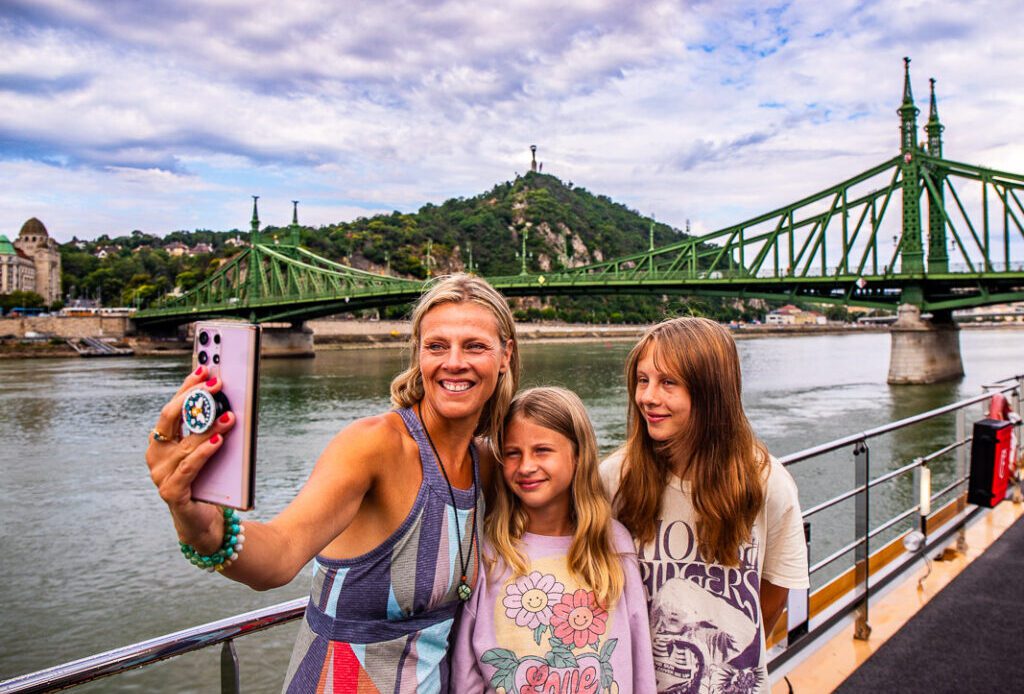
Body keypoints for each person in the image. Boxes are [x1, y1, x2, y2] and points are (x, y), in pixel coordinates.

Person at [145, 274, 520, 693]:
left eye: (475, 345)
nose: (454, 362)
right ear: (418, 353)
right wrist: (205, 528)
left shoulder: (487, 463)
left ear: (505, 355)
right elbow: (281, 553)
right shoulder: (374, 446)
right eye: (436, 345)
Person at [601, 317, 809, 694]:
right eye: (643, 380)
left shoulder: (768, 483)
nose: (647, 396)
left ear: (712, 393)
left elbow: (776, 590)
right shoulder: (614, 479)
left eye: (668, 383)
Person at [451, 386, 655, 693]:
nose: (526, 466)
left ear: (578, 455)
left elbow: (639, 658)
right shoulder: (488, 550)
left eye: (542, 450)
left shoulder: (613, 543)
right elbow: (466, 672)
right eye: (512, 454)